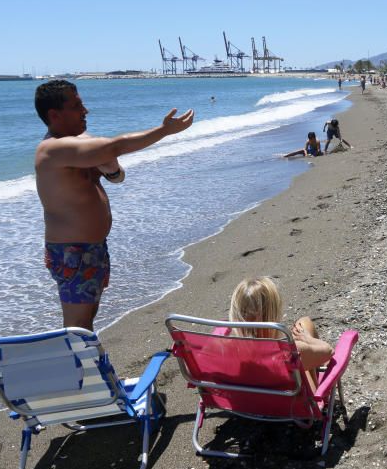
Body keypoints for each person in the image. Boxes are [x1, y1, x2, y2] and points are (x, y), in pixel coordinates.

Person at [34, 80, 194, 329]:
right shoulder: (53, 149)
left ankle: (89, 365)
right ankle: (77, 366)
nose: (85, 111)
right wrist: (163, 131)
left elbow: (116, 173)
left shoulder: (79, 143)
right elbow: (116, 146)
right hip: (72, 252)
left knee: (87, 319)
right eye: (77, 106)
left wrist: (111, 170)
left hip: (90, 247)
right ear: (54, 114)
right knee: (77, 325)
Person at [229, 276, 332, 391]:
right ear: (272, 313)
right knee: (304, 324)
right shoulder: (288, 353)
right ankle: (322, 371)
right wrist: (308, 339)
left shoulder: (224, 351)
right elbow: (329, 351)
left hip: (249, 406)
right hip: (292, 406)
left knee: (304, 325)